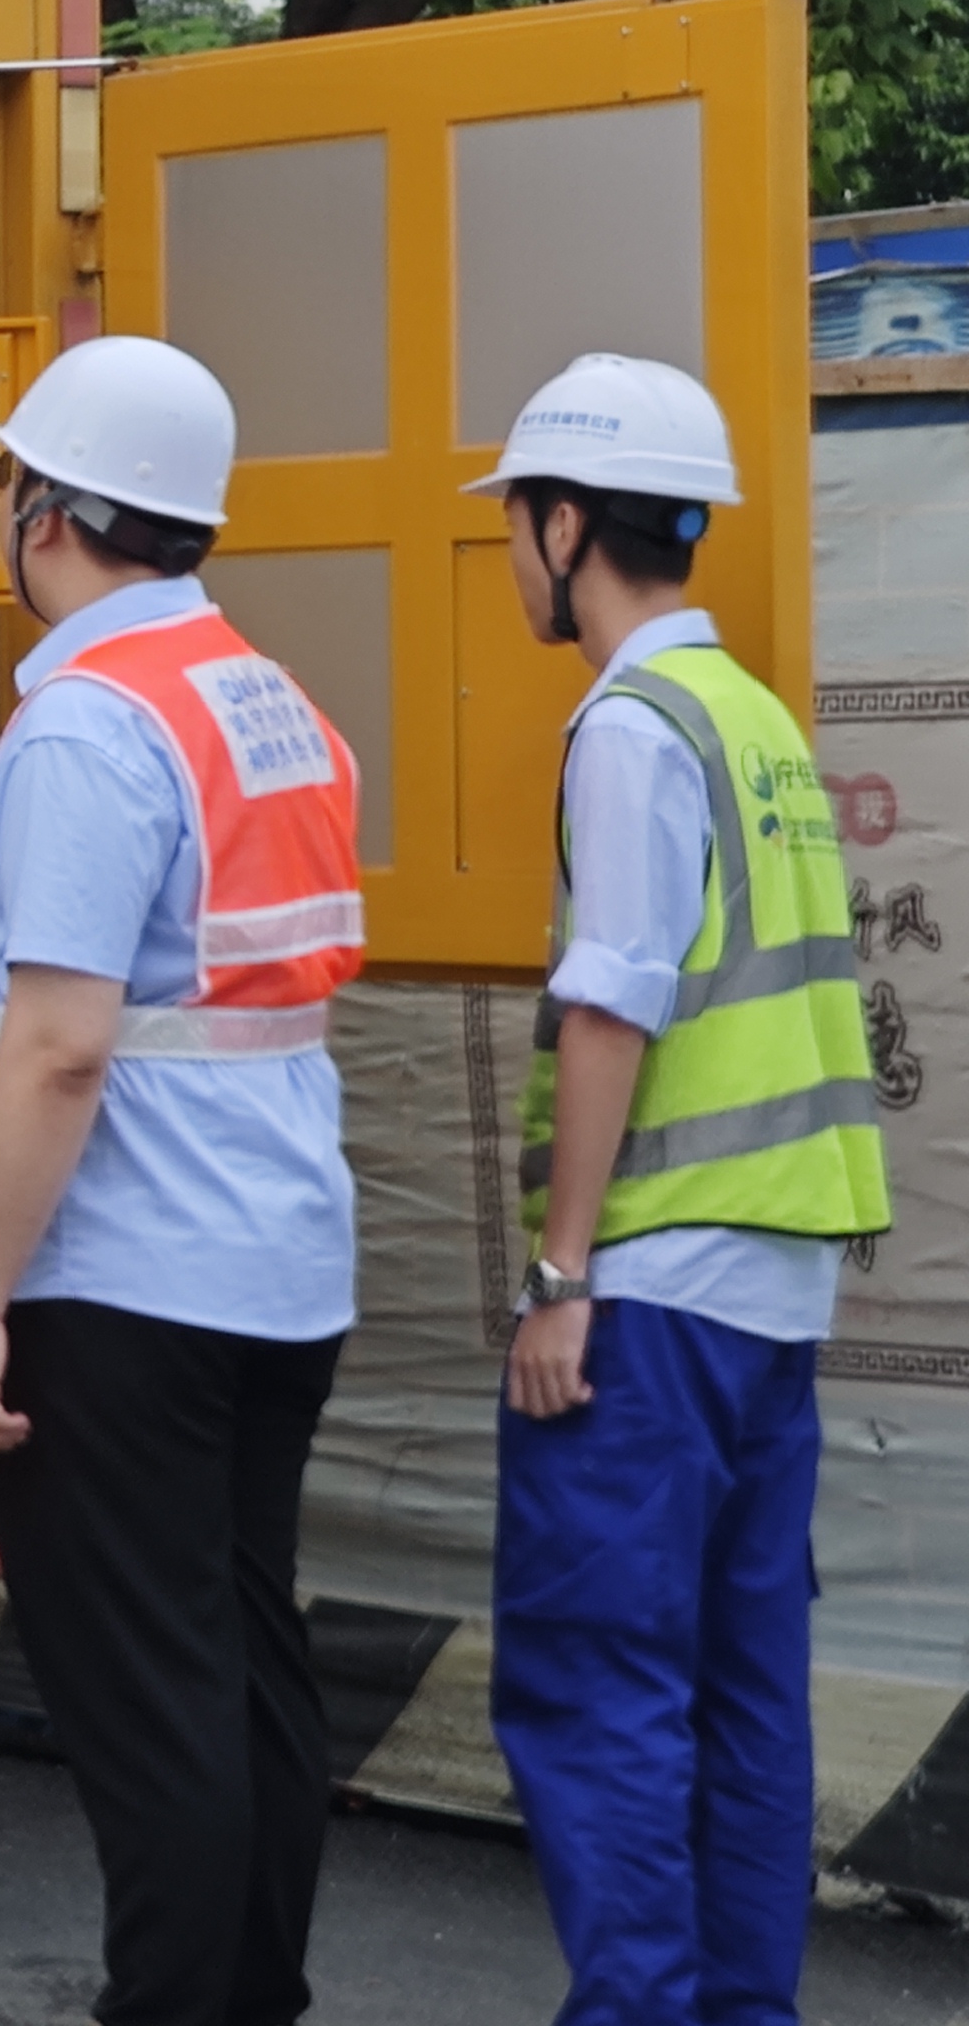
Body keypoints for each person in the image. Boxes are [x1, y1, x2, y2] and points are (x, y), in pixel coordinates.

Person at [0, 335, 367, 2026]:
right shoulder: (268, 701)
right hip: (277, 1267)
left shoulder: (89, 734)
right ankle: (252, 2001)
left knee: (150, 1709)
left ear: (46, 511)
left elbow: (56, 1045)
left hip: (120, 1277)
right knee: (248, 1670)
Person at [467, 354, 891, 2026]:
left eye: (515, 522)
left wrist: (560, 1278)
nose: (509, 555)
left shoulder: (631, 728)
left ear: (567, 526)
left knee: (599, 1694)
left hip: (648, 1301)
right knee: (739, 1697)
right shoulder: (758, 719)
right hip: (774, 1290)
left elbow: (613, 999)